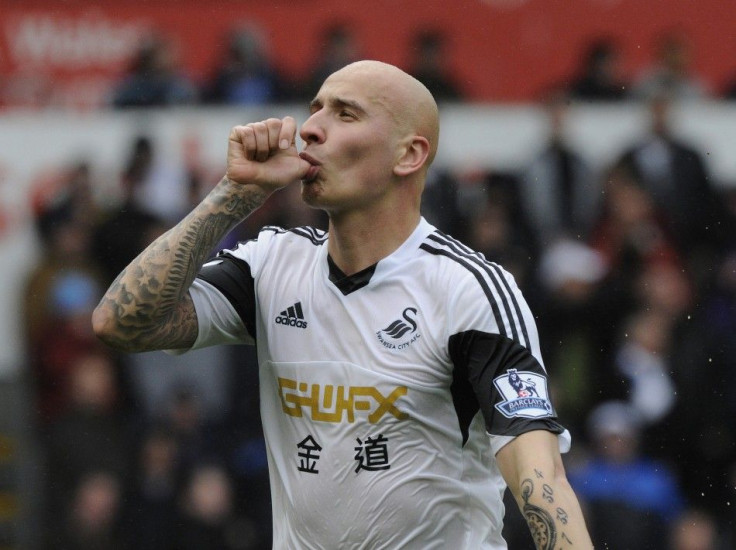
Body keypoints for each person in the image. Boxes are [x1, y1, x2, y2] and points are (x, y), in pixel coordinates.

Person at [93, 60, 593, 549]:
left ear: (409, 155)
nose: (309, 129)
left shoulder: (469, 291)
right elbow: (121, 323)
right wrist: (234, 195)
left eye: (345, 114)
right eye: (315, 109)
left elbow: (540, 481)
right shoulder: (272, 265)